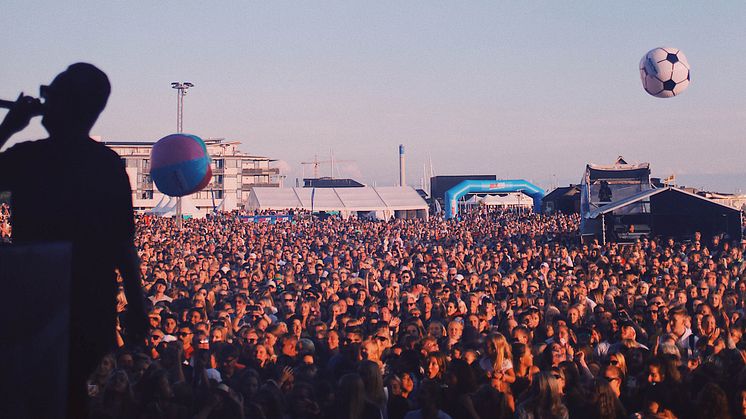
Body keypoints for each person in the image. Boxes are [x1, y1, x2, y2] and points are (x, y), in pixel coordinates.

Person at [0, 63, 147, 417]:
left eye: (50, 96)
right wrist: (138, 307)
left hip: (34, 308)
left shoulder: (30, 157)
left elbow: (122, 245)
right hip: (90, 313)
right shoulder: (108, 164)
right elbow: (123, 247)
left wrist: (9, 127)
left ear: (66, 106)